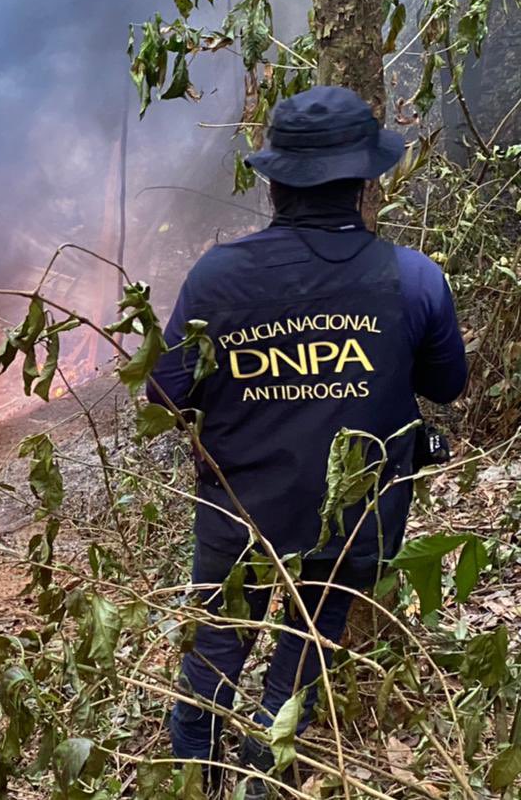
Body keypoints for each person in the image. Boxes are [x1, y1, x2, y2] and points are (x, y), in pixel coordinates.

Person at [147, 86, 467, 795]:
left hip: (240, 512)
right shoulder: (414, 279)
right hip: (353, 519)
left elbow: (165, 392)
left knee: (215, 650)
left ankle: (197, 774)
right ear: (366, 180)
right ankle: (264, 778)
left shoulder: (218, 277)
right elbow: (447, 386)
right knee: (302, 658)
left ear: (274, 181)